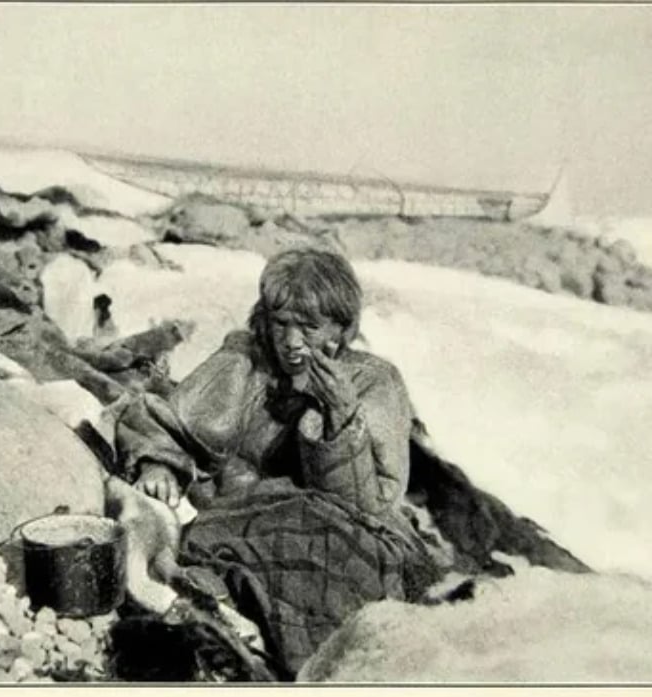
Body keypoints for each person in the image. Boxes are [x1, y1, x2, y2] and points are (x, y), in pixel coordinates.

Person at [114, 247, 442, 677]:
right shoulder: (243, 360)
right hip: (236, 525)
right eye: (281, 323)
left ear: (341, 330)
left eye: (308, 326)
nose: (291, 342)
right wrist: (159, 464)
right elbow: (167, 420)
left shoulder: (374, 383)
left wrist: (340, 421)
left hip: (337, 534)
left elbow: (368, 508)